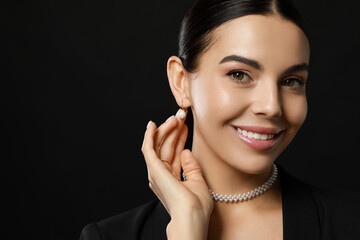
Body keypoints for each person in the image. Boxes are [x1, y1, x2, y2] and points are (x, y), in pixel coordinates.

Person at [80, 0, 360, 239]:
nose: (272, 106)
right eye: (239, 74)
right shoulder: (108, 237)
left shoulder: (350, 223)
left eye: (291, 81)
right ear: (181, 82)